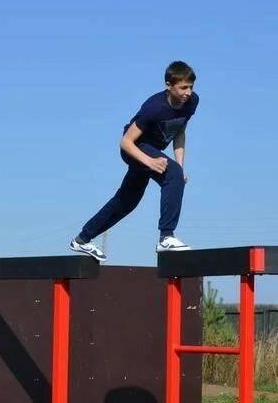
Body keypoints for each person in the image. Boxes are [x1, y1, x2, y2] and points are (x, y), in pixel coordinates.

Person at [70, 61, 199, 262]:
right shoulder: (154, 108)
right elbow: (126, 142)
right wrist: (149, 161)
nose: (188, 93)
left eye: (191, 87)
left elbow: (180, 132)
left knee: (128, 201)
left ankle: (83, 238)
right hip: (136, 148)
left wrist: (180, 166)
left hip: (152, 152)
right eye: (183, 88)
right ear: (168, 85)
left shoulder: (191, 103)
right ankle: (166, 236)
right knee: (171, 175)